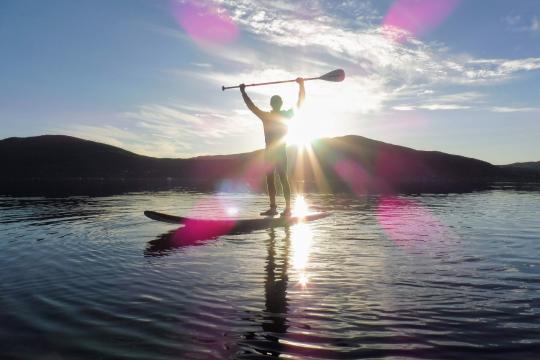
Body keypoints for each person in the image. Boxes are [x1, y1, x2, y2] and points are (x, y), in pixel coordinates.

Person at [240, 78, 305, 217]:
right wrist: (243, 92)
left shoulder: (282, 115)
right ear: (272, 104)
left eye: (277, 102)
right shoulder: (270, 116)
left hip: (279, 152)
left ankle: (287, 209)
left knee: (282, 178)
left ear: (279, 104)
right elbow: (251, 106)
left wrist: (302, 85)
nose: (276, 104)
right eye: (274, 102)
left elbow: (300, 103)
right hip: (271, 153)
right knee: (271, 179)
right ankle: (274, 208)